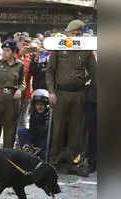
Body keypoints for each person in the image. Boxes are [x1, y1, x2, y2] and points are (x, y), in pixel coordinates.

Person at [45, 19, 96, 177]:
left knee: (77, 130)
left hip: (79, 93)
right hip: (61, 93)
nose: (75, 37)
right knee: (58, 128)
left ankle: (74, 163)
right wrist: (51, 92)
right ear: (67, 33)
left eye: (78, 34)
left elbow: (95, 73)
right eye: (73, 34)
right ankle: (53, 162)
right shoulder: (58, 47)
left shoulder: (87, 49)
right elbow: (50, 71)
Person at [0, 39, 26, 148]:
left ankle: (7, 158)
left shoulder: (19, 66)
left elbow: (23, 83)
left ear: (13, 52)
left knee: (9, 132)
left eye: (7, 50)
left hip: (12, 103)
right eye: (3, 50)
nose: (4, 53)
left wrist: (19, 90)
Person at [17, 89, 50, 160]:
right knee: (21, 130)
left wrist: (40, 148)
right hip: (35, 140)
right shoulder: (33, 115)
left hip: (45, 144)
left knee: (45, 155)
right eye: (37, 104)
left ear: (46, 105)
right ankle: (28, 150)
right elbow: (32, 131)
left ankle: (38, 152)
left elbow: (48, 135)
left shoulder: (50, 117)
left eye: (42, 104)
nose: (39, 107)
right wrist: (28, 144)